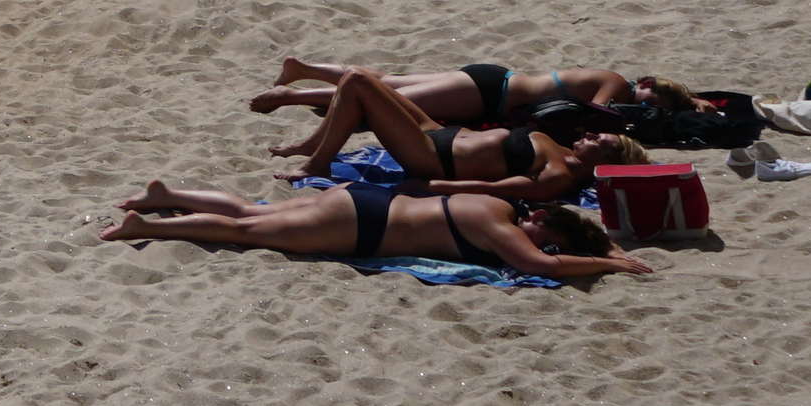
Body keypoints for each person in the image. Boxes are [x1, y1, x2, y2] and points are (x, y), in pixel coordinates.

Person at [94, 182, 652, 283]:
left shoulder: (495, 202)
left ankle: (166, 198)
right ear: (543, 223)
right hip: (363, 227)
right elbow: (540, 267)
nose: (539, 241)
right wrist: (604, 263)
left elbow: (552, 250)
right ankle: (150, 227)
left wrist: (604, 246)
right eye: (545, 235)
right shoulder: (502, 225)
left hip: (365, 203)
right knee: (246, 232)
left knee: (252, 211)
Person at [268, 70, 647, 202]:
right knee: (361, 81)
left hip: (433, 156)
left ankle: (317, 161)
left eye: (602, 143)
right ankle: (312, 148)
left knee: (356, 82)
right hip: (439, 134)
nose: (594, 136)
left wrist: (432, 185)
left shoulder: (559, 174)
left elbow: (502, 190)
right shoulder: (562, 150)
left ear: (606, 165)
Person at [246, 58, 689, 125]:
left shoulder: (610, 77)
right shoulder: (617, 82)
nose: (647, 106)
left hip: (492, 79)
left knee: (383, 84)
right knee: (387, 99)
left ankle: (302, 68)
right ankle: (290, 97)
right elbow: (599, 110)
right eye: (654, 100)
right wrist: (635, 116)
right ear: (646, 84)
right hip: (490, 93)